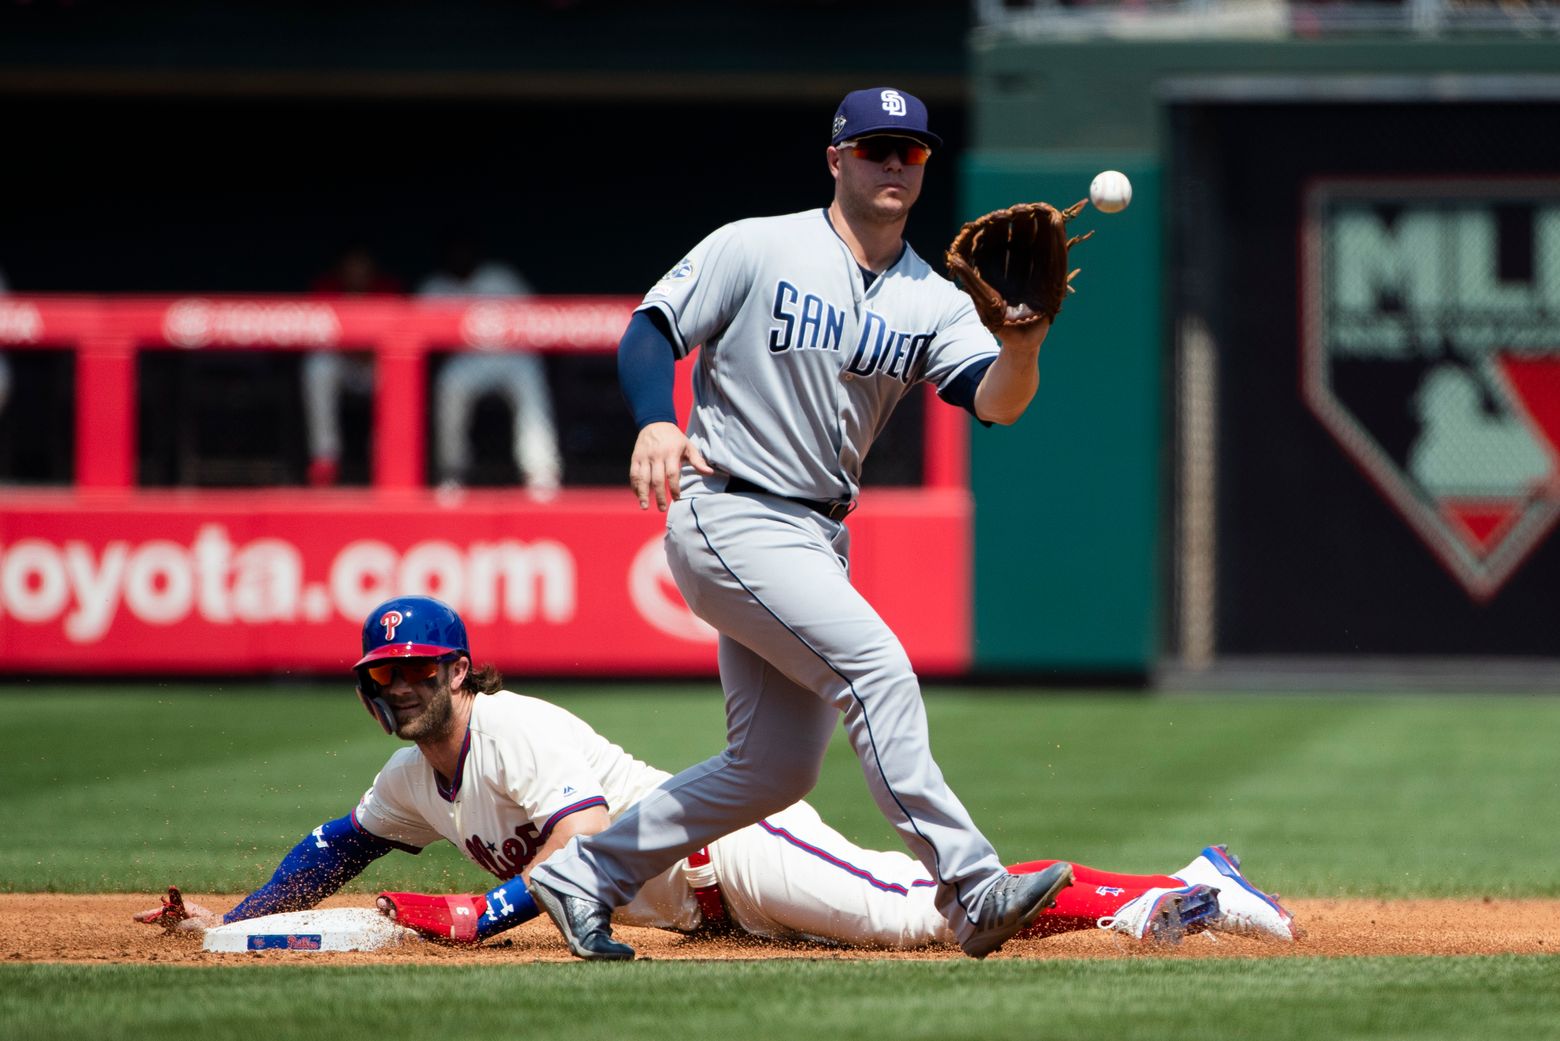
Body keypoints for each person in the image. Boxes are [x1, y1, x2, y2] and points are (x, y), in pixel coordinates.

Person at [524, 84, 1278, 961]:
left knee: (773, 769)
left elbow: (996, 404)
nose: (894, 163)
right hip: (730, 506)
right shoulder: (757, 245)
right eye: (876, 148)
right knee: (877, 667)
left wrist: (1025, 343)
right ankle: (971, 884)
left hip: (813, 536)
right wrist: (657, 418)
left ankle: (585, 874)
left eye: (911, 152)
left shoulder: (934, 297)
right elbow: (650, 329)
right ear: (836, 157)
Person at [133, 596, 1298, 951]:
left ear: (462, 671)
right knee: (919, 927)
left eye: (418, 668)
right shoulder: (409, 786)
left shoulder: (513, 727)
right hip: (708, 911)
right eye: (382, 673)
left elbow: (581, 849)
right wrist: (236, 927)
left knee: (916, 916)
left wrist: (483, 917)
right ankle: (1158, 897)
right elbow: (333, 848)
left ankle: (1176, 882)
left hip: (727, 846)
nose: (399, 687)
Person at [419, 234, 563, 499]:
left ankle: (540, 471)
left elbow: (536, 320)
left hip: (509, 355)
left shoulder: (500, 277)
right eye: (454, 251)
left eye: (465, 250)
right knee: (449, 384)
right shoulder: (435, 287)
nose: (460, 256)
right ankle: (453, 472)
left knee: (529, 374)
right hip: (465, 361)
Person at [302, 243, 405, 487]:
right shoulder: (325, 288)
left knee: (396, 372)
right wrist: (354, 346)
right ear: (340, 269)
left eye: (362, 266)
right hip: (341, 364)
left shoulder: (387, 290)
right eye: (351, 266)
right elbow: (315, 335)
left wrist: (367, 348)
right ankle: (325, 458)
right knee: (318, 367)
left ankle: (386, 456)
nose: (357, 272)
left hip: (375, 366)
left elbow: (401, 337)